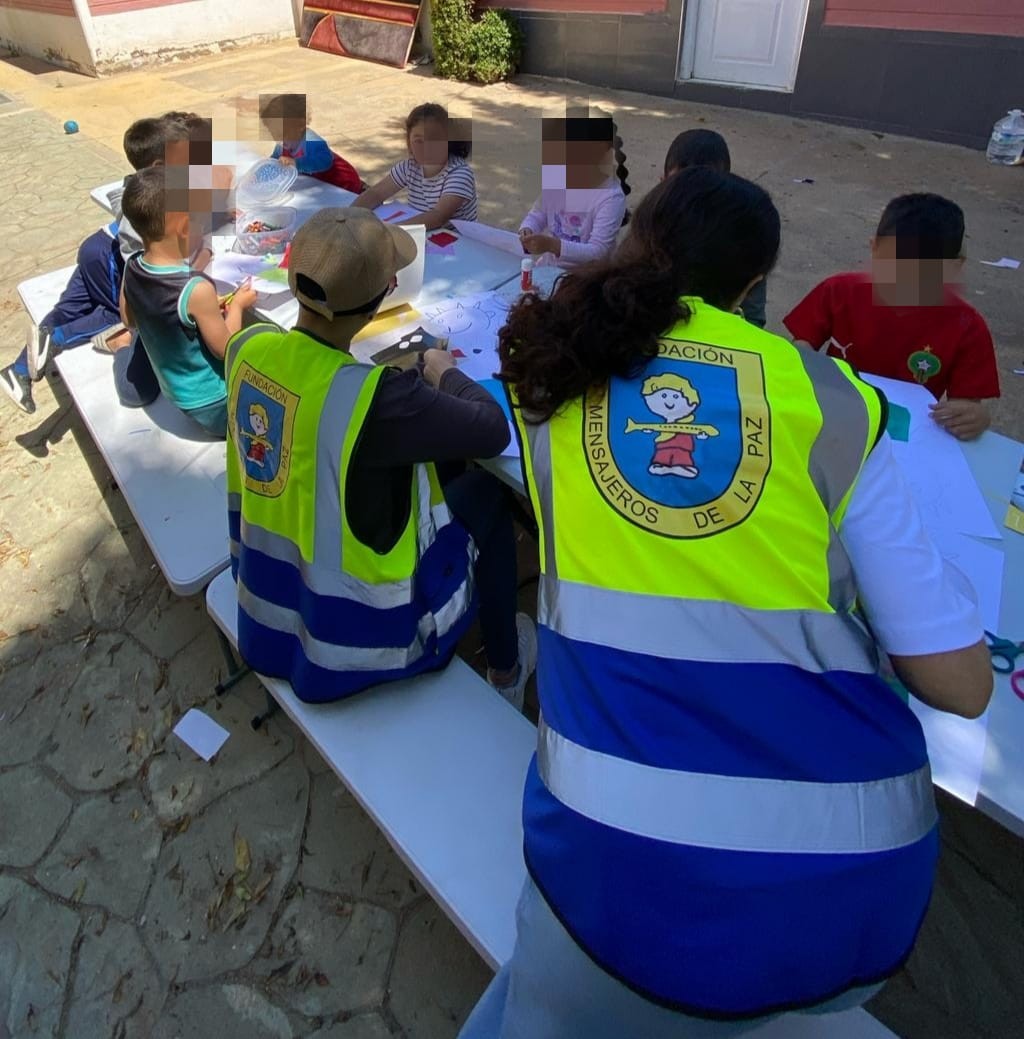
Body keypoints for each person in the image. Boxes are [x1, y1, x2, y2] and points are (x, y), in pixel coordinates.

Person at [459, 168, 992, 1038]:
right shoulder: (829, 398)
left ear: (635, 243)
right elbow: (962, 685)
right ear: (753, 287)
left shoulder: (556, 371)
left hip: (606, 861)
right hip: (849, 891)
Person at [224, 207, 537, 707]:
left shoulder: (249, 346)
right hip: (359, 639)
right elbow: (490, 428)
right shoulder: (376, 398)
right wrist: (439, 370)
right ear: (384, 295)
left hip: (265, 603)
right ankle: (506, 669)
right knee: (485, 493)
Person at [1, 113, 190, 414]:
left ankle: (20, 369)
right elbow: (143, 265)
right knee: (111, 312)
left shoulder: (141, 187)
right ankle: (56, 340)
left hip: (97, 245)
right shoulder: (158, 197)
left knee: (68, 308)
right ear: (160, 167)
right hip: (114, 264)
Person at [784, 192, 1000, 440]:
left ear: (953, 267)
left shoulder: (968, 327)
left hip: (905, 435)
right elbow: (800, 347)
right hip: (833, 415)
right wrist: (802, 367)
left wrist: (976, 417)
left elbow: (967, 405)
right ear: (874, 248)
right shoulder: (838, 291)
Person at [119, 166, 257, 437]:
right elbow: (227, 349)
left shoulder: (132, 266)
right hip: (217, 404)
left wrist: (194, 315)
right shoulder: (196, 289)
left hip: (177, 393)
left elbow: (128, 320)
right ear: (184, 227)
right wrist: (238, 306)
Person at [663, 128, 767, 328]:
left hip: (722, 339)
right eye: (681, 187)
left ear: (725, 187)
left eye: (706, 189)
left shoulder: (745, 240)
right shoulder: (648, 229)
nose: (691, 197)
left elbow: (753, 319)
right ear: (662, 184)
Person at [517, 109, 630, 268]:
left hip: (587, 279)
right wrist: (527, 230)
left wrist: (552, 245)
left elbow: (598, 252)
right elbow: (537, 214)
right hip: (550, 270)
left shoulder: (610, 197)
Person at [353, 103, 477, 229]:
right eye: (418, 141)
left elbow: (438, 216)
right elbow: (376, 193)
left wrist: (392, 231)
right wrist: (348, 214)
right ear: (409, 143)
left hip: (459, 242)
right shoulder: (408, 167)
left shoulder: (460, 174)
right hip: (422, 233)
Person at [259, 93, 363, 194]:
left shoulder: (311, 141)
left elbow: (324, 161)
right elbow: (274, 161)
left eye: (283, 133)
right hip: (321, 185)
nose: (279, 139)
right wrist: (259, 175)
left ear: (300, 125)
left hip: (344, 184)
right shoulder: (282, 144)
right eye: (274, 134)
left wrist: (297, 163)